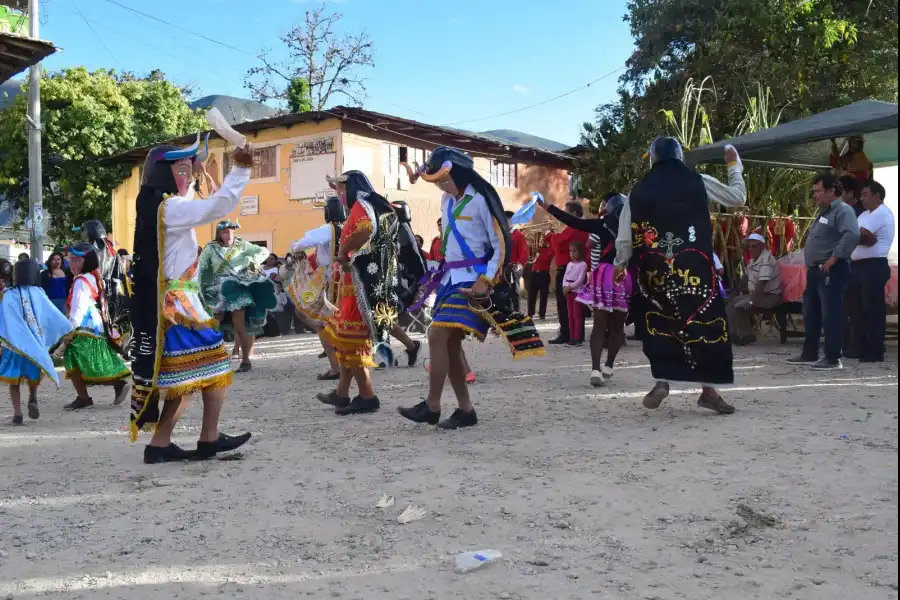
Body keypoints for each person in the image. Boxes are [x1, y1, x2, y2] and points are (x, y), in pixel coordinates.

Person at [397, 147, 545, 429]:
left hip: (474, 279)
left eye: (444, 179)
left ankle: (432, 405)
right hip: (450, 279)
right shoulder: (446, 200)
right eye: (437, 181)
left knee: (437, 334)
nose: (441, 185)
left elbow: (501, 245)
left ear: (459, 174)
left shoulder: (480, 202)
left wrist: (486, 280)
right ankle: (466, 411)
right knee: (450, 346)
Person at [129, 135, 254, 463]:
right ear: (167, 174)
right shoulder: (172, 207)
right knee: (204, 370)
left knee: (192, 376)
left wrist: (199, 170)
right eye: (184, 168)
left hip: (177, 301)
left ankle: (173, 442)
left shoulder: (161, 206)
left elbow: (202, 198)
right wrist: (240, 168)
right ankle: (199, 440)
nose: (192, 173)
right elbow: (219, 205)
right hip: (179, 304)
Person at [614, 139, 748, 414]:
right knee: (704, 324)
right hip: (694, 270)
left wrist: (619, 263)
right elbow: (738, 198)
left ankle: (662, 382)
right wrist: (734, 166)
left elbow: (625, 237)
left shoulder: (637, 191)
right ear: (679, 157)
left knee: (662, 322)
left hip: (654, 271)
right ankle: (708, 391)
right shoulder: (699, 181)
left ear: (652, 159)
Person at [316, 170, 402, 415]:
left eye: (342, 189)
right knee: (345, 338)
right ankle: (342, 393)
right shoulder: (377, 204)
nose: (340, 195)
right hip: (366, 278)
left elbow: (364, 229)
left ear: (352, 187)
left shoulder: (361, 206)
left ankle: (367, 395)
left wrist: (344, 251)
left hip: (360, 282)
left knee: (352, 339)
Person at [538, 192, 631, 385]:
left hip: (603, 274)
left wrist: (549, 207)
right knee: (617, 327)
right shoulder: (632, 228)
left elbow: (574, 222)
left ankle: (595, 370)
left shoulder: (600, 224)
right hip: (622, 275)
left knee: (599, 326)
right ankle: (609, 366)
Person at [787, 173, 860, 369]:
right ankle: (809, 354)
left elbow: (852, 235)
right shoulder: (825, 212)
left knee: (831, 315)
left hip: (832, 271)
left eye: (818, 191)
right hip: (815, 271)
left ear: (831, 191)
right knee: (811, 314)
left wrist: (834, 258)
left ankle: (832, 358)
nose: (814, 195)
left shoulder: (843, 211)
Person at [0, 259, 74, 425]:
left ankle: (17, 414)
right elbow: (51, 314)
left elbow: (4, 319)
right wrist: (65, 328)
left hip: (14, 345)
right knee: (34, 373)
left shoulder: (9, 295)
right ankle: (33, 397)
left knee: (14, 381)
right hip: (35, 343)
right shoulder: (39, 293)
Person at [199, 221, 277, 373]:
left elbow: (263, 251)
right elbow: (203, 269)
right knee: (214, 324)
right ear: (219, 233)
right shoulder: (210, 248)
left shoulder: (242, 245)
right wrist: (203, 288)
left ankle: (246, 360)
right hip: (217, 289)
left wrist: (253, 262)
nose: (228, 235)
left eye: (230, 232)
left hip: (237, 287)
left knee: (240, 327)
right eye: (224, 232)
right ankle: (211, 358)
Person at [62, 242, 131, 410]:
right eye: (71, 260)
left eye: (76, 260)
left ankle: (87, 396)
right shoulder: (94, 277)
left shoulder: (81, 281)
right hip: (97, 324)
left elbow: (79, 307)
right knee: (93, 359)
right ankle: (112, 385)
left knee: (73, 357)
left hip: (85, 325)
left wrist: (70, 330)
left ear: (86, 262)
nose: (72, 264)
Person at [288, 195, 345, 381]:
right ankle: (340, 361)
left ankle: (336, 366)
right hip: (344, 277)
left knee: (316, 319)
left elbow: (306, 241)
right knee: (334, 321)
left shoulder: (328, 229)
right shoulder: (346, 227)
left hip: (328, 277)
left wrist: (295, 246)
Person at [845, 180, 895, 362]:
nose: (862, 198)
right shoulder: (864, 214)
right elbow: (854, 235)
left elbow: (862, 235)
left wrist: (854, 236)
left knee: (872, 308)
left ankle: (874, 350)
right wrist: (855, 236)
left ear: (877, 195)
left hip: (873, 265)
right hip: (857, 265)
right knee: (856, 308)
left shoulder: (881, 212)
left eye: (865, 194)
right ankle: (857, 346)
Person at [725, 233, 783, 345]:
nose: (751, 249)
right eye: (749, 247)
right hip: (759, 295)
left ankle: (746, 335)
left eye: (754, 246)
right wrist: (735, 292)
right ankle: (734, 335)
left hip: (770, 297)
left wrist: (751, 301)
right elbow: (745, 278)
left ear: (762, 246)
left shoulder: (766, 260)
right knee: (731, 302)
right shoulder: (753, 260)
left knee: (740, 305)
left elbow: (762, 283)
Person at [547, 202, 591, 345]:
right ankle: (575, 335)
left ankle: (567, 334)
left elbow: (559, 244)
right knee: (575, 307)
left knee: (566, 305)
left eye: (565, 213)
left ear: (573, 214)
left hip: (568, 270)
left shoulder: (574, 226)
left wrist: (549, 235)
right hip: (576, 268)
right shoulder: (582, 227)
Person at [388, 199, 425, 367]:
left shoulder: (403, 232)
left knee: (383, 318)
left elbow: (416, 261)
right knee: (385, 320)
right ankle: (410, 346)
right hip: (395, 281)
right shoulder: (396, 231)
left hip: (402, 284)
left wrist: (420, 285)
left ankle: (386, 355)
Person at [562, 240, 588, 346]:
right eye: (570, 251)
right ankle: (572, 337)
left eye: (575, 251)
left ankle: (578, 338)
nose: (572, 253)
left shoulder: (583, 265)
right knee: (570, 315)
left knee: (577, 315)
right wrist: (564, 286)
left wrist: (570, 287)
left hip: (577, 291)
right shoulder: (569, 264)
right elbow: (565, 276)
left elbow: (580, 279)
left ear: (580, 252)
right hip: (568, 291)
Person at [527, 232, 554, 320]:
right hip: (534, 272)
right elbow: (529, 256)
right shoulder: (537, 248)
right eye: (541, 238)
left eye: (544, 238)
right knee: (531, 295)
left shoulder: (550, 249)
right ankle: (530, 313)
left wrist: (539, 250)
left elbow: (544, 259)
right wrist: (530, 244)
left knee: (544, 295)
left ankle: (542, 314)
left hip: (544, 274)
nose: (542, 240)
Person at [506, 210, 529, 310]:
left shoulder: (518, 235)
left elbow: (524, 254)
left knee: (514, 292)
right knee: (506, 293)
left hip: (513, 268)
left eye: (505, 219)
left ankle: (517, 313)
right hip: (504, 268)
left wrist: (518, 266)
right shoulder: (504, 234)